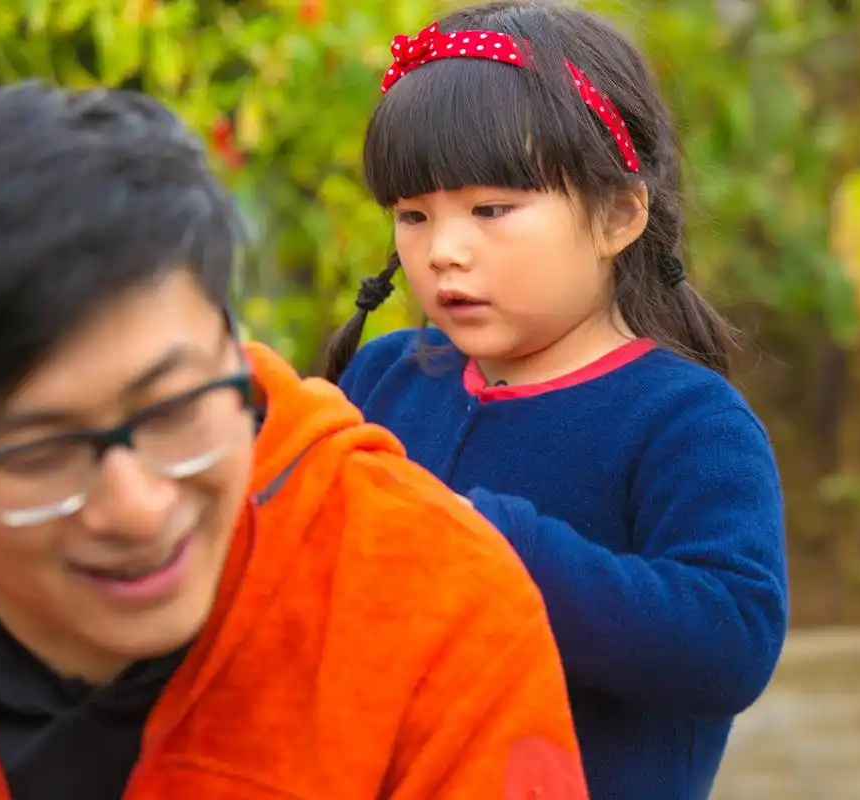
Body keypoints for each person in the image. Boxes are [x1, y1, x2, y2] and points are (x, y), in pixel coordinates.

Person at [0, 81, 590, 800]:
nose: (138, 509)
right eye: (42, 454)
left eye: (175, 410)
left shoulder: (437, 609)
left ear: (233, 350)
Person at [326, 2, 789, 798]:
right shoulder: (386, 378)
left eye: (491, 210)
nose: (442, 250)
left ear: (617, 214)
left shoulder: (685, 422)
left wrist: (503, 549)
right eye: (413, 214)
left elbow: (730, 638)